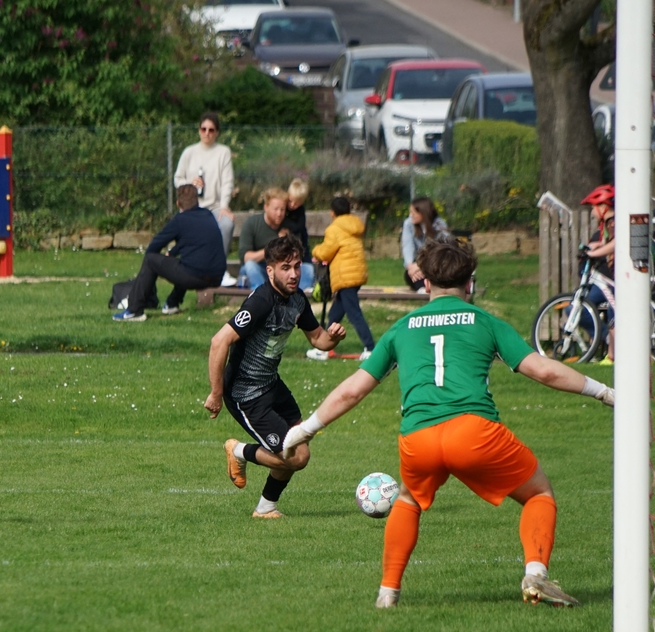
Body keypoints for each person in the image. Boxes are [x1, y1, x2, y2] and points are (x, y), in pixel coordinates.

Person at [282, 239, 615, 608]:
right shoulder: (485, 321)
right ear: (469, 282)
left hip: (418, 438)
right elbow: (544, 371)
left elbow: (351, 392)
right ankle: (535, 575)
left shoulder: (401, 328)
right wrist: (603, 391)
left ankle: (387, 594)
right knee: (538, 493)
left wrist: (304, 429)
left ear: (425, 282)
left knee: (408, 500)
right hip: (474, 433)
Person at [204, 235, 346, 518]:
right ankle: (239, 451)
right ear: (270, 271)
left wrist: (333, 337)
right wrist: (216, 393)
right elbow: (219, 341)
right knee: (297, 457)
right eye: (285, 268)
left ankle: (266, 507)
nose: (293, 274)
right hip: (246, 394)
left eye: (297, 266)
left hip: (272, 385)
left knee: (298, 445)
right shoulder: (261, 302)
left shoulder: (297, 300)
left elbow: (318, 339)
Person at [113, 184, 227, 321]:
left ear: (178, 203)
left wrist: (152, 271)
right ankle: (172, 303)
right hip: (217, 277)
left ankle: (134, 311)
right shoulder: (208, 215)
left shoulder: (180, 220)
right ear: (197, 201)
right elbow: (190, 242)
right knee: (186, 262)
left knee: (151, 260)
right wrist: (172, 253)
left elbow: (154, 246)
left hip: (194, 277)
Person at [307, 196, 375, 361]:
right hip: (356, 273)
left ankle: (370, 348)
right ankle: (324, 348)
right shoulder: (355, 226)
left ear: (332, 212)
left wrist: (315, 251)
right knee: (335, 313)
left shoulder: (335, 228)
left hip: (345, 276)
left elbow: (326, 252)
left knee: (354, 313)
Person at [173, 112, 235, 287]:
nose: (207, 133)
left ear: (217, 132)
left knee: (227, 224)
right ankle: (190, 271)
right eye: (203, 129)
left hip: (214, 206)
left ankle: (220, 271)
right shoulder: (189, 152)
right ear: (199, 130)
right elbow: (177, 179)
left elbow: (228, 182)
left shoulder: (223, 152)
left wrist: (224, 206)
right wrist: (189, 183)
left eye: (211, 130)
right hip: (193, 208)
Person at [581, 185, 616, 364]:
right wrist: (595, 246)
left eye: (594, 207)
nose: (592, 212)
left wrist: (595, 253)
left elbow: (618, 242)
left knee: (614, 312)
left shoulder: (615, 222)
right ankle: (611, 348)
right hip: (612, 279)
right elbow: (606, 241)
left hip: (621, 278)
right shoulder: (607, 224)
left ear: (603, 207)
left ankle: (613, 355)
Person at [237, 187, 288, 289]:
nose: (279, 214)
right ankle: (262, 294)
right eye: (275, 209)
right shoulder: (252, 224)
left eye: (282, 209)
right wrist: (271, 249)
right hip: (256, 269)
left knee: (307, 268)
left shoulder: (288, 227)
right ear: (266, 207)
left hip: (278, 270)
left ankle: (298, 295)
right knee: (250, 266)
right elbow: (246, 258)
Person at [401, 196, 448, 293]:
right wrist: (411, 267)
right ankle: (422, 288)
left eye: (413, 213)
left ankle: (429, 287)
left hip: (436, 264)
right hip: (418, 264)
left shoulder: (439, 225)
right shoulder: (408, 224)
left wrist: (422, 266)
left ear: (423, 213)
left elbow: (442, 251)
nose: (410, 215)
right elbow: (407, 246)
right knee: (410, 274)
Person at [282, 178, 315, 291]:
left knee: (307, 264)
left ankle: (304, 288)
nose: (292, 205)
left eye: (297, 203)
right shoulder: (283, 206)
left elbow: (299, 227)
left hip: (300, 241)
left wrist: (288, 227)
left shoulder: (300, 210)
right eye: (291, 201)